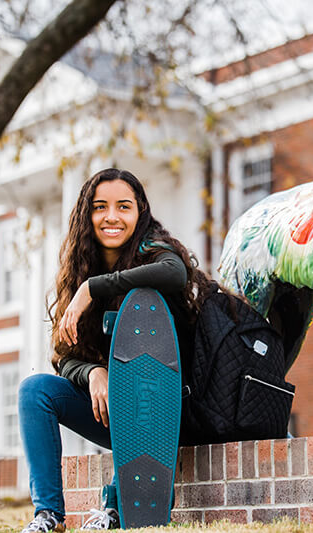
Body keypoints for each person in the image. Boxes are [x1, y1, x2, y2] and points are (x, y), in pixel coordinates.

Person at [18, 168, 210, 532]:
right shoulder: (77, 270)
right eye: (100, 207)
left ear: (139, 213)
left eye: (124, 206)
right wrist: (94, 373)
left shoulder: (153, 250)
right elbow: (63, 356)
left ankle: (117, 508)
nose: (112, 217)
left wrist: (94, 288)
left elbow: (175, 274)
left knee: (140, 365)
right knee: (35, 391)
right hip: (115, 411)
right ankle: (49, 515)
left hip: (167, 410)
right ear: (86, 215)